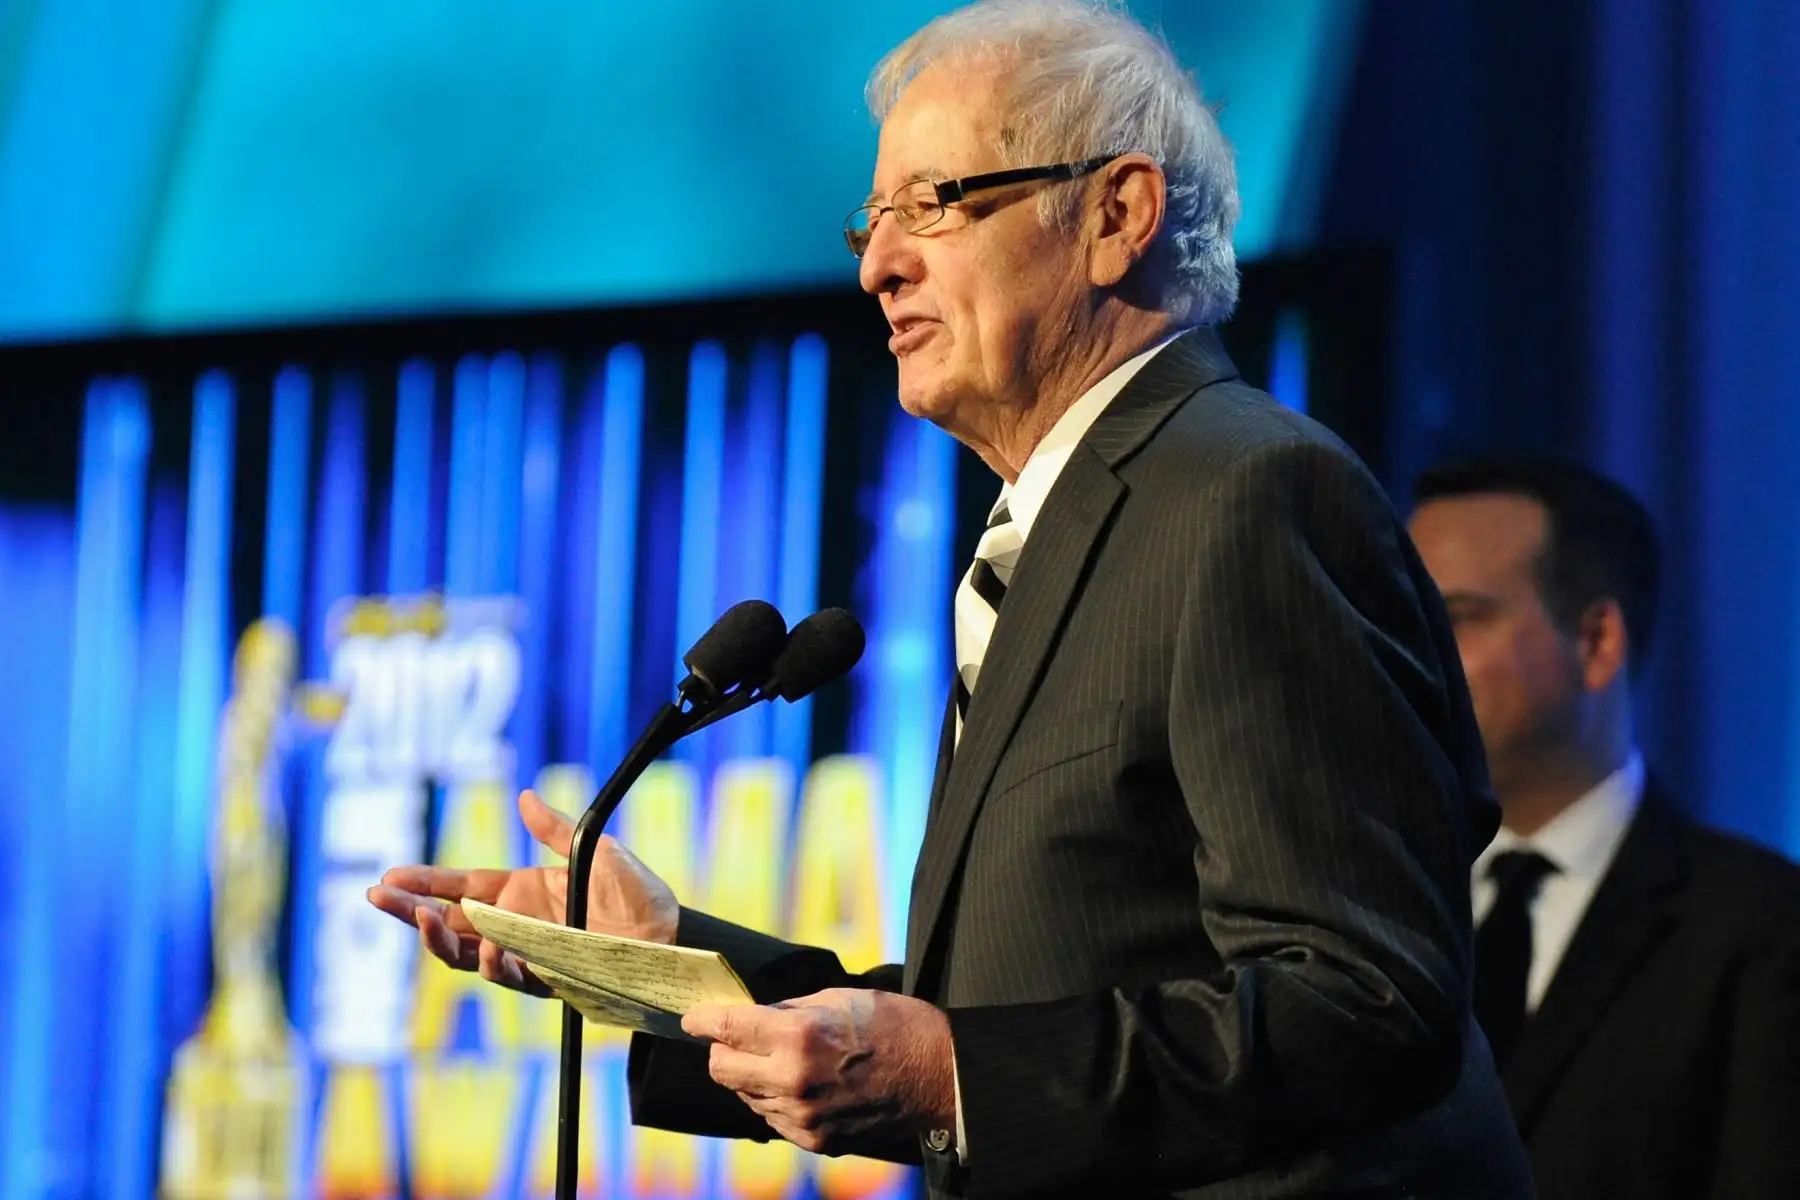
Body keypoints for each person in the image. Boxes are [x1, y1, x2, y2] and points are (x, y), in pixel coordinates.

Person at [370, 2, 1533, 1195]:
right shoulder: (1070, 527)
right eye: (872, 220)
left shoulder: (1250, 495)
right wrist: (666, 965)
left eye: (932, 204)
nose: (876, 265)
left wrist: (952, 1081)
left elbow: (1365, 1002)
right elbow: (1019, 1004)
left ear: (1116, 216)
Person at [1408, 456, 1800, 1199]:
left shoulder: (1760, 927)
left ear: (1597, 642)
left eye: (1456, 618)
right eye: (1398, 618)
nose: (1411, 654)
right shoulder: (1375, 903)